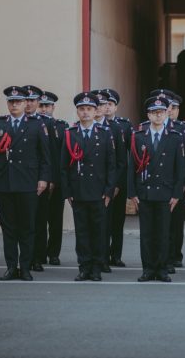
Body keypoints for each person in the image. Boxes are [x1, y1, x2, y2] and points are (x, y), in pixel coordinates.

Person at [0, 86, 51, 281]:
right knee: (9, 228)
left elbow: (45, 156)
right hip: (4, 183)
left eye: (19, 102)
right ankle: (11, 267)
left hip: (28, 184)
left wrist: (43, 179)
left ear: (25, 103)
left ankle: (26, 267)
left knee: (27, 227)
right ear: (8, 104)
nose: (15, 105)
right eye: (11, 102)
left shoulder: (36, 125)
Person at [59, 92, 116, 281]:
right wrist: (67, 191)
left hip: (98, 192)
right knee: (82, 232)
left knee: (98, 232)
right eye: (82, 109)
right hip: (78, 191)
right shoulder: (70, 134)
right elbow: (63, 166)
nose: (85, 113)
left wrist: (109, 191)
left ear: (95, 111)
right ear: (77, 111)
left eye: (89, 109)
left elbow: (111, 165)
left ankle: (97, 268)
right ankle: (84, 267)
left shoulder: (105, 134)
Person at [128, 96, 185, 282]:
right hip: (144, 192)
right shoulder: (138, 137)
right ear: (148, 115)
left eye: (161, 112)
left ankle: (162, 269)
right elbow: (132, 167)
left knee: (163, 233)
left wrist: (177, 194)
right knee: (146, 234)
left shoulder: (175, 138)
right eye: (154, 112)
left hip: (165, 193)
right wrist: (132, 193)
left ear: (167, 113)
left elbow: (180, 168)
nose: (158, 115)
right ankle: (148, 269)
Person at [150, 89, 185, 272]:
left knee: (175, 223)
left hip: (178, 183)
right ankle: (159, 256)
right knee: (158, 223)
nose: (169, 110)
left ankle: (174, 255)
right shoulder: (149, 126)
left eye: (173, 107)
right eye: (166, 107)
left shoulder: (184, 129)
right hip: (157, 183)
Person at [93, 89, 127, 274]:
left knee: (112, 222)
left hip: (111, 185)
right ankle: (98, 258)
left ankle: (110, 257)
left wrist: (115, 185)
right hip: (92, 185)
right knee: (97, 224)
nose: (99, 108)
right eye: (95, 105)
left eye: (102, 105)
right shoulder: (83, 126)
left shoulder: (116, 128)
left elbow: (121, 161)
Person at [100, 88, 132, 269]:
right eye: (104, 105)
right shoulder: (97, 125)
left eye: (110, 105)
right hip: (102, 182)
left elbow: (124, 158)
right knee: (104, 220)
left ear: (116, 107)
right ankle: (103, 255)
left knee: (118, 221)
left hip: (119, 182)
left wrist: (119, 184)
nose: (106, 108)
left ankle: (116, 255)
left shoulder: (123, 126)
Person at [37, 91, 69, 266]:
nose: (43, 109)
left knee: (56, 221)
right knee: (39, 220)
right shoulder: (33, 125)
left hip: (56, 183)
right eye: (41, 105)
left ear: (53, 107)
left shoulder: (62, 127)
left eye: (46, 106)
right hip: (39, 182)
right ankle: (40, 253)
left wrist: (56, 181)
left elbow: (62, 158)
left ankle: (54, 253)